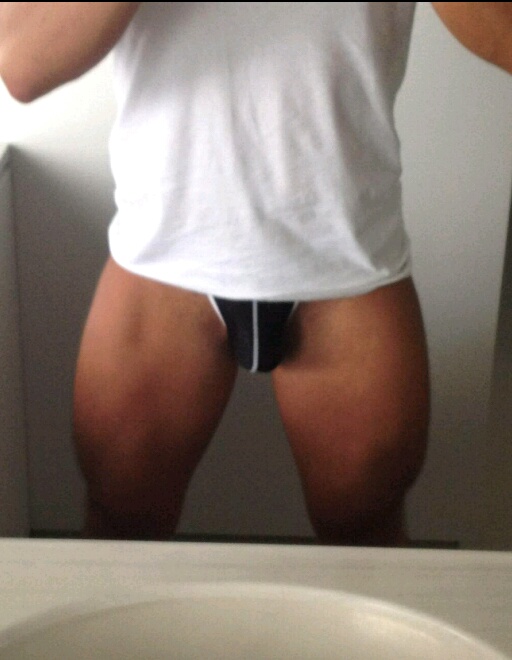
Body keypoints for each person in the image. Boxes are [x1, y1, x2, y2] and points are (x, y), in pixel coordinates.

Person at [0, 3, 510, 545]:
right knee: (120, 527)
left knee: (368, 545)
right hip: (166, 257)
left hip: (345, 261)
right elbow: (21, 62)